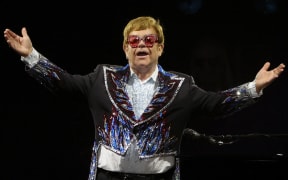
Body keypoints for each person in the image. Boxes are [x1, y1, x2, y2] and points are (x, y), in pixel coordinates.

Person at [3, 16, 285, 180]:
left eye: (149, 40)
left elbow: (216, 104)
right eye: (135, 41)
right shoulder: (102, 77)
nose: (141, 45)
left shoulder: (181, 85)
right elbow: (63, 83)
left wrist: (253, 87)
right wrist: (32, 57)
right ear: (125, 47)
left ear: (160, 48)